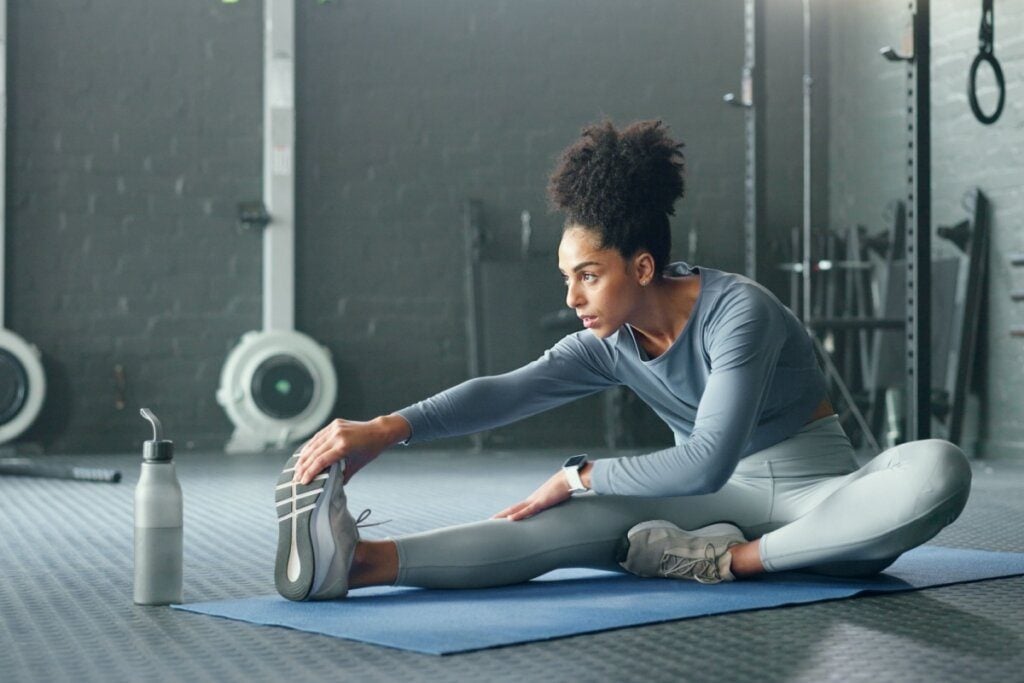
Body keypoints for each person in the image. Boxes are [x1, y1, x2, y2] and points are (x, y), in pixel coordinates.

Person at [273, 120, 972, 601]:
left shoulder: (740, 313)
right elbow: (508, 391)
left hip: (815, 498)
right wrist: (384, 429)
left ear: (642, 266)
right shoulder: (610, 342)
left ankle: (730, 560)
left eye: (588, 275)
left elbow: (705, 461)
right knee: (555, 525)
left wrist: (580, 474)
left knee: (938, 471)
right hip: (707, 505)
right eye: (566, 277)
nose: (572, 296)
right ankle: (358, 564)